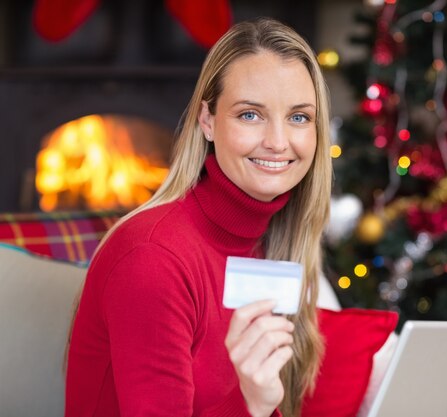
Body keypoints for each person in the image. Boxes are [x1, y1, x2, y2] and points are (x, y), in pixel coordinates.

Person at [65, 17, 332, 417]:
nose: (278, 143)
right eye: (250, 115)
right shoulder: (152, 258)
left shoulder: (276, 241)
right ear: (207, 120)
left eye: (298, 117)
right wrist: (251, 403)